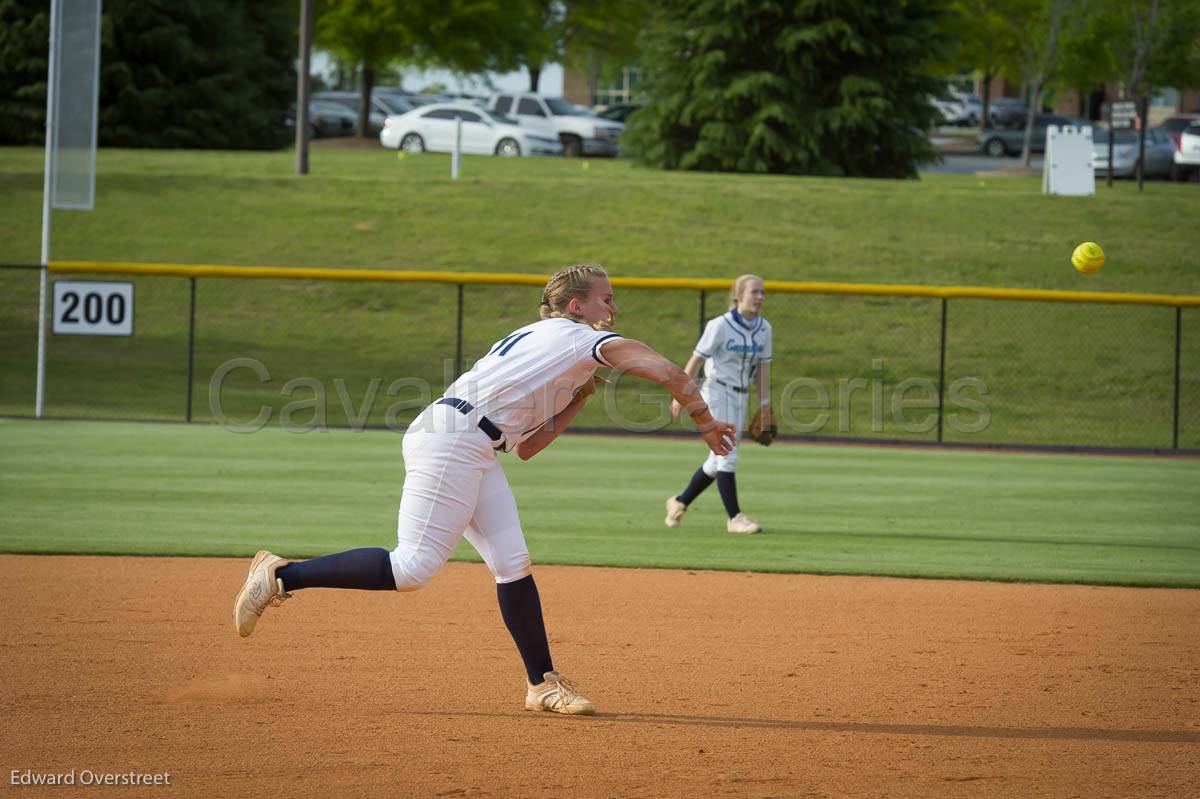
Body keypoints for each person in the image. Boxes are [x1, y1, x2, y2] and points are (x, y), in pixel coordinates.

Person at [233, 264, 736, 716]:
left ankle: (542, 685)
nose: (614, 307)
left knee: (512, 563)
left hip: (473, 444)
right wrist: (706, 421)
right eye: (606, 298)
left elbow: (526, 448)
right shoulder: (581, 340)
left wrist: (578, 399)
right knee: (411, 567)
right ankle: (282, 576)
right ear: (576, 306)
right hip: (454, 441)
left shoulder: (543, 340)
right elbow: (667, 371)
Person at [665, 274, 771, 534]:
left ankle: (679, 502)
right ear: (738, 296)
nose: (760, 297)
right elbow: (696, 361)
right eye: (754, 292)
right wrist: (682, 394)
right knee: (727, 453)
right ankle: (735, 517)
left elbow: (764, 368)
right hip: (717, 392)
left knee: (715, 462)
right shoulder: (719, 326)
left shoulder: (765, 329)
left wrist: (766, 405)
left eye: (762, 293)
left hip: (742, 395)